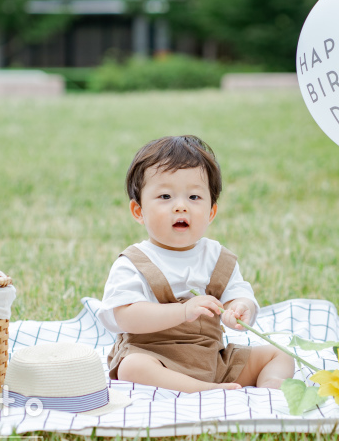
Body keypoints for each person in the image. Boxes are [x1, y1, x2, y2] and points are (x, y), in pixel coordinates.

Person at [98, 135, 295, 392]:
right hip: (155, 356)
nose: (181, 206)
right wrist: (182, 312)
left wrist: (239, 309)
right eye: (166, 196)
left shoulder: (217, 258)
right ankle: (202, 390)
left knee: (280, 354)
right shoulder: (134, 262)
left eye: (194, 197)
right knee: (131, 367)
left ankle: (269, 386)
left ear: (211, 212)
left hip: (212, 359)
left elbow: (239, 294)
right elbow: (124, 317)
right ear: (139, 211)